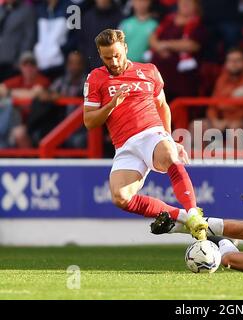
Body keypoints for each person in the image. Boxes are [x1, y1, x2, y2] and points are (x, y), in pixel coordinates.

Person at [82, 29, 208, 240]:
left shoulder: (149, 71)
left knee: (169, 156)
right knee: (121, 197)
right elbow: (89, 121)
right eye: (107, 57)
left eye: (117, 55)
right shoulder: (96, 78)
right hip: (124, 145)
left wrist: (169, 138)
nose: (113, 61)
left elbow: (162, 105)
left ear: (125, 49)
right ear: (99, 55)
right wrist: (112, 105)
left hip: (151, 133)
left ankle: (194, 213)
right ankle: (184, 218)